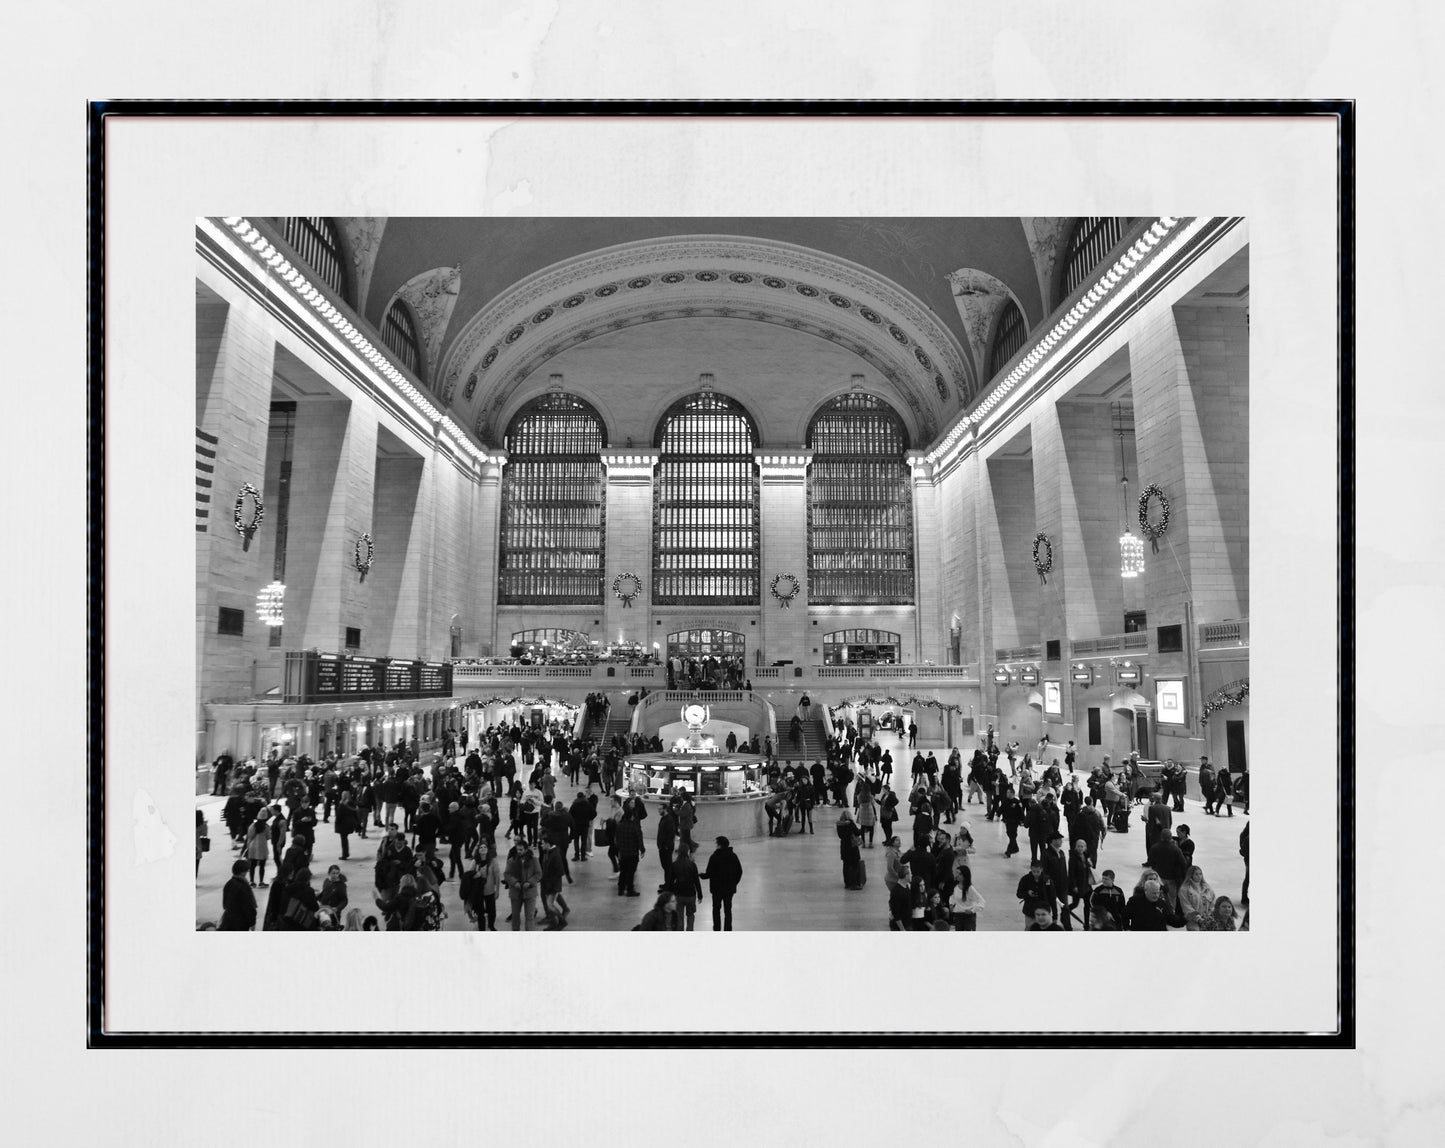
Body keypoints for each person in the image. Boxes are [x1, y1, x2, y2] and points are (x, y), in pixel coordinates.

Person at [701, 835, 743, 931]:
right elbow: (739, 871)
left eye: (716, 844)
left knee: (716, 909)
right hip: (729, 889)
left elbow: (709, 873)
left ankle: (717, 929)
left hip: (716, 889)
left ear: (720, 845)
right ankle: (728, 929)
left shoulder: (714, 857)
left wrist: (701, 875)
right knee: (728, 910)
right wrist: (734, 883)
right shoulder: (733, 856)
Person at [503, 839, 542, 930]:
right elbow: (507, 874)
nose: (519, 851)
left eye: (521, 850)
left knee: (529, 917)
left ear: (526, 850)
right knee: (515, 916)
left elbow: (538, 874)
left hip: (530, 893)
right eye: (518, 849)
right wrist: (514, 882)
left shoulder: (533, 860)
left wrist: (530, 882)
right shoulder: (512, 860)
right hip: (516, 893)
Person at [1015, 859, 1058, 928]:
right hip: (1030, 913)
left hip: (1044, 912)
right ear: (1031, 869)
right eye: (1034, 871)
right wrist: (1027, 893)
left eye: (1038, 872)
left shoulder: (1047, 880)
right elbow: (1019, 894)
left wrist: (1055, 916)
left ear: (1042, 869)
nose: (1036, 874)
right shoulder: (1025, 879)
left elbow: (1052, 898)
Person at [671, 840, 703, 931]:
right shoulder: (692, 865)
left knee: (679, 916)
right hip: (690, 894)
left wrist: (669, 895)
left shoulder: (674, 865)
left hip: (678, 894)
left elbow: (670, 882)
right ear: (688, 852)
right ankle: (689, 931)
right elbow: (696, 881)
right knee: (690, 915)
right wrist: (700, 895)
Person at [613, 805, 645, 897]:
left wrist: (619, 849)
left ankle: (620, 889)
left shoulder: (619, 826)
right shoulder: (634, 827)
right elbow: (639, 839)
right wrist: (642, 850)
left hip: (623, 853)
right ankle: (630, 890)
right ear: (631, 816)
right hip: (632, 853)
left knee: (623, 871)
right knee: (631, 873)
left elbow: (616, 840)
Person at [1041, 833, 1070, 927]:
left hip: (1062, 886)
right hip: (1052, 887)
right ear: (1053, 841)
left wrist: (1066, 883)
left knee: (1065, 908)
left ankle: (1067, 927)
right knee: (1051, 909)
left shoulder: (1061, 853)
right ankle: (1050, 927)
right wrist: (1048, 885)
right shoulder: (1046, 854)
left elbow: (1064, 870)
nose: (1062, 841)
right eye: (1060, 840)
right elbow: (1044, 871)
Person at [218, 859, 257, 930]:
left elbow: (224, 904)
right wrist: (252, 922)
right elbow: (248, 906)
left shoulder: (229, 883)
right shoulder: (243, 886)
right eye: (247, 871)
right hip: (241, 922)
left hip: (228, 919)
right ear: (243, 872)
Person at [1177, 865, 1217, 929]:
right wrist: (1199, 919)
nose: (1199, 876)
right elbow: (1186, 907)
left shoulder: (1207, 887)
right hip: (1193, 921)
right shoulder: (1184, 889)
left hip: (1208, 919)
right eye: (1196, 874)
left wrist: (1210, 916)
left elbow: (1213, 902)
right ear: (1191, 875)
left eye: (1200, 874)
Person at [837, 809, 865, 890]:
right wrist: (862, 830)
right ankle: (855, 883)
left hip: (844, 847)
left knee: (846, 866)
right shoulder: (850, 823)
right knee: (855, 865)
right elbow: (857, 832)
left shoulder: (839, 824)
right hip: (852, 847)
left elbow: (840, 836)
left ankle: (847, 883)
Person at [244, 808, 271, 886]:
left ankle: (252, 881)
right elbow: (268, 837)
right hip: (262, 847)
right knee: (262, 866)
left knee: (252, 865)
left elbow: (249, 836)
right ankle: (261, 881)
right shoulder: (266, 827)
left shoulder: (252, 826)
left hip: (253, 847)